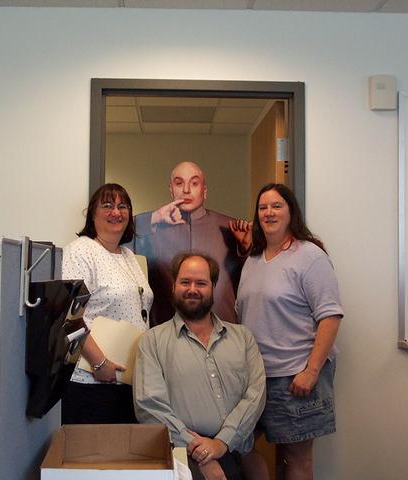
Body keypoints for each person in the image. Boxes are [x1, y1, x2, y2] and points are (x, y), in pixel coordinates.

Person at [236, 184, 344, 480]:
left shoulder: (310, 256)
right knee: (237, 444)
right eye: (263, 207)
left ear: (291, 211)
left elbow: (330, 316)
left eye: (276, 206)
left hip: (295, 376)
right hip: (256, 377)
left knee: (296, 458)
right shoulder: (253, 260)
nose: (269, 213)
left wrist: (311, 371)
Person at [134, 252, 265, 480]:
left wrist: (222, 442)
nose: (192, 289)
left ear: (213, 287)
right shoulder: (152, 341)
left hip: (239, 452)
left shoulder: (243, 338)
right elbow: (150, 407)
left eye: (201, 283)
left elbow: (256, 394)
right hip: (181, 455)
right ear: (173, 286)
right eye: (185, 282)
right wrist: (200, 452)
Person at [61, 183, 153, 424]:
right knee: (94, 448)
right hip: (91, 380)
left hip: (126, 380)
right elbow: (69, 317)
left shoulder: (128, 256)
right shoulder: (81, 251)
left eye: (123, 206)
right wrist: (99, 363)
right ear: (92, 214)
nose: (116, 212)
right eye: (107, 205)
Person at [131, 161, 251, 327]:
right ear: (171, 190)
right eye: (179, 183)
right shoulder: (150, 229)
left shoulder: (229, 228)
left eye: (194, 183)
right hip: (166, 332)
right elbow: (116, 232)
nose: (186, 190)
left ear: (205, 191)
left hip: (221, 329)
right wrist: (153, 218)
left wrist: (246, 249)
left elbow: (253, 279)